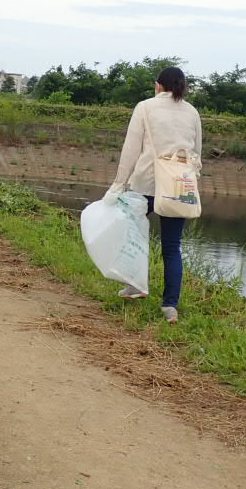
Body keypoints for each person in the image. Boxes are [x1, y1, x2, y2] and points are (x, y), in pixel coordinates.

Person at [106, 66, 202, 323]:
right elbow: (196, 154)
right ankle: (170, 306)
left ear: (158, 85)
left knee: (132, 236)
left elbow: (131, 150)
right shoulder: (192, 112)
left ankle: (135, 285)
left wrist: (118, 184)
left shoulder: (145, 107)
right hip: (178, 187)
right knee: (172, 248)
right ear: (182, 86)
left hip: (145, 183)